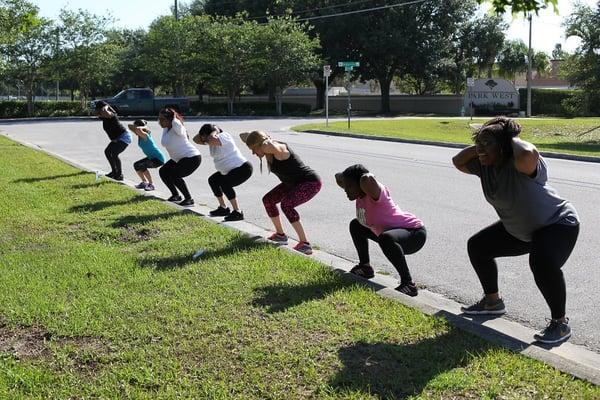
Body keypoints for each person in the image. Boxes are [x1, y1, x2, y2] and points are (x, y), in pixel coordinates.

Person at [452, 116, 580, 344]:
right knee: (478, 246)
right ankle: (493, 302)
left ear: (505, 146)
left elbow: (527, 154)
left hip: (557, 223)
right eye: (478, 143)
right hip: (522, 230)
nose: (480, 149)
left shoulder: (520, 162)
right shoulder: (484, 167)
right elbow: (458, 161)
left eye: (487, 143)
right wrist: (483, 146)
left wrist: (510, 138)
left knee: (542, 264)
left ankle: (560, 324)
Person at [335, 164, 426, 296]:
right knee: (356, 225)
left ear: (361, 185)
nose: (345, 190)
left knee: (386, 238)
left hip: (414, 233)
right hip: (390, 234)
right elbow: (338, 177)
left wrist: (361, 177)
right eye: (345, 186)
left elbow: (367, 178)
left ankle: (408, 284)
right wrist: (347, 178)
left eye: (349, 186)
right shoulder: (359, 194)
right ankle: (365, 267)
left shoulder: (376, 193)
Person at [240, 131, 321, 255]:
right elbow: (243, 136)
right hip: (292, 183)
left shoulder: (278, 150)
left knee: (286, 204)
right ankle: (280, 235)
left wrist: (266, 141)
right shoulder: (266, 150)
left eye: (254, 149)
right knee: (268, 200)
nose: (253, 153)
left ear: (261, 145)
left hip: (309, 182)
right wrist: (253, 138)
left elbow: (274, 146)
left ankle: (305, 244)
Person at [192, 124, 253, 221]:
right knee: (213, 180)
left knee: (225, 184)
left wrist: (214, 130)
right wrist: (205, 135)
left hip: (243, 169)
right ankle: (223, 208)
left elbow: (212, 139)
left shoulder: (224, 136)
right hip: (229, 170)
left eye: (204, 136)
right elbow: (195, 139)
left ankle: (237, 212)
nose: (203, 139)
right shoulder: (209, 140)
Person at [157, 107, 201, 206]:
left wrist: (174, 117)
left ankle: (189, 199)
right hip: (179, 158)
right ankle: (175, 195)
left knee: (175, 175)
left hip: (191, 157)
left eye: (162, 119)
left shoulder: (177, 127)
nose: (160, 121)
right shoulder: (166, 128)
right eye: (159, 119)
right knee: (163, 171)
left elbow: (177, 125)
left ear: (170, 119)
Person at [94, 101, 131, 181]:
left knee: (114, 153)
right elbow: (98, 114)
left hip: (124, 137)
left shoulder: (111, 115)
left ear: (102, 109)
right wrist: (101, 110)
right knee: (107, 151)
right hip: (117, 138)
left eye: (98, 110)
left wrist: (106, 106)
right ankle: (114, 172)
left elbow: (106, 112)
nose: (96, 112)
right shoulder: (103, 117)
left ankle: (119, 174)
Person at [127, 119, 166, 191]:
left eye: (135, 127)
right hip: (152, 158)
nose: (134, 129)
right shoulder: (140, 135)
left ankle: (151, 184)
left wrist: (144, 127)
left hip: (158, 159)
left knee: (142, 165)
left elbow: (137, 129)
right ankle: (144, 182)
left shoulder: (145, 135)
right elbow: (129, 126)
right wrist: (138, 127)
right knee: (136, 165)